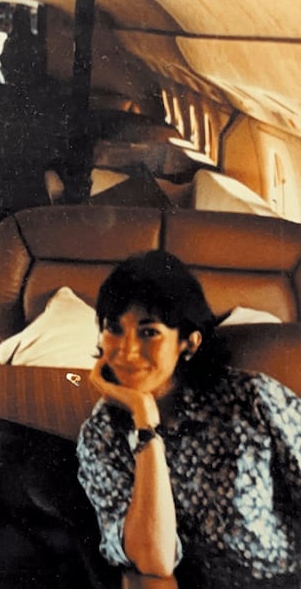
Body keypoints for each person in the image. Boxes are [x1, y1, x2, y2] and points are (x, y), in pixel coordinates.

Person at [77, 250, 301, 589]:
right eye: (114, 328)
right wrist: (145, 423)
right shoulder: (102, 434)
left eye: (148, 332)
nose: (126, 351)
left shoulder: (253, 400)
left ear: (188, 343)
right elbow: (154, 558)